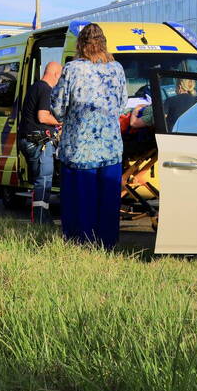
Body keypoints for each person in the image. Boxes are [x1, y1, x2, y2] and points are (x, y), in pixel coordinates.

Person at [51, 23, 127, 247]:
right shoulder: (117, 68)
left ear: (80, 44)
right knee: (108, 201)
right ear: (103, 43)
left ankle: (81, 243)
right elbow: (122, 104)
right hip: (110, 147)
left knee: (80, 201)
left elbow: (57, 107)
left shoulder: (73, 69)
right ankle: (107, 244)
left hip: (79, 148)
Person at [18, 61, 62, 224]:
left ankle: (40, 216)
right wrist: (59, 122)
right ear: (56, 74)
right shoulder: (45, 89)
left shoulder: (34, 87)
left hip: (27, 139)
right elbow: (43, 116)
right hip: (39, 141)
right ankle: (40, 218)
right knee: (44, 180)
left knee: (38, 178)